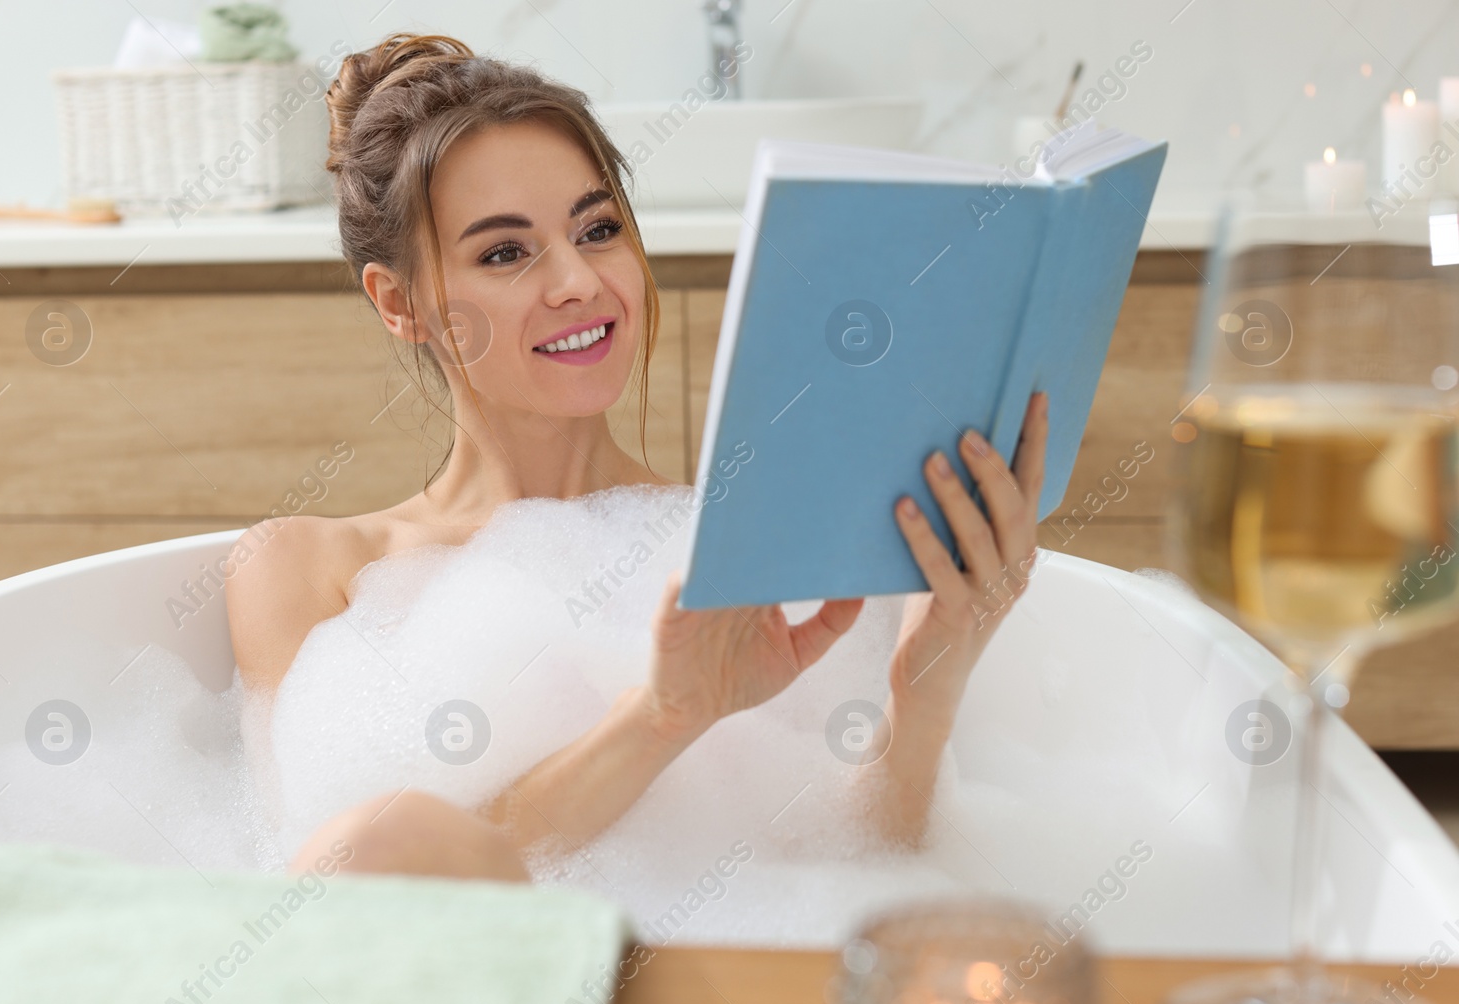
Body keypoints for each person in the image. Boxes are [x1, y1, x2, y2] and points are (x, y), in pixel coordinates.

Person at [227, 32, 1048, 881]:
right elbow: (335, 883)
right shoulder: (305, 569)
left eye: (599, 227)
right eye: (505, 252)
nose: (579, 281)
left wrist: (925, 688)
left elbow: (858, 867)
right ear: (399, 303)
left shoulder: (744, 562)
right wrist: (662, 715)